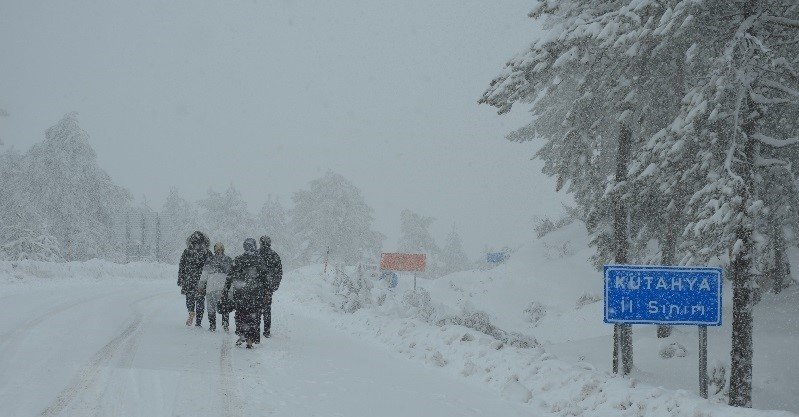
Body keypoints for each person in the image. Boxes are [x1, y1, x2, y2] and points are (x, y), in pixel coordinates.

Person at [222, 238, 268, 349]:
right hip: (255, 294)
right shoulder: (259, 260)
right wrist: (266, 292)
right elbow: (264, 278)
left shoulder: (238, 259)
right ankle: (250, 339)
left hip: (240, 293)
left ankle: (242, 334)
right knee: (254, 317)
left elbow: (230, 276)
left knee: (241, 315)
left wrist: (226, 290)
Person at [178, 231, 211, 327]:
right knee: (200, 300)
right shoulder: (206, 252)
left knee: (190, 298)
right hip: (201, 280)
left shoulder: (187, 251)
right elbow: (211, 267)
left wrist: (180, 278)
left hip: (189, 279)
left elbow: (182, 265)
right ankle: (198, 322)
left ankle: (191, 312)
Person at [198, 243, 233, 332]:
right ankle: (225, 325)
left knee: (211, 307)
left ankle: (212, 325)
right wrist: (231, 289)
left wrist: (201, 285)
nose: (219, 251)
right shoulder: (228, 260)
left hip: (213, 287)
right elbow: (232, 275)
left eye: (220, 249)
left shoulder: (210, 260)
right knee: (224, 306)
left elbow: (204, 274)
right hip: (222, 288)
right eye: (218, 249)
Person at [259, 235, 283, 339]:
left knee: (255, 308)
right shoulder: (274, 255)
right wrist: (275, 285)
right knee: (267, 308)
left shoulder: (256, 254)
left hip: (256, 285)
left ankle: (255, 327)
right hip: (268, 286)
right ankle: (266, 331)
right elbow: (279, 272)